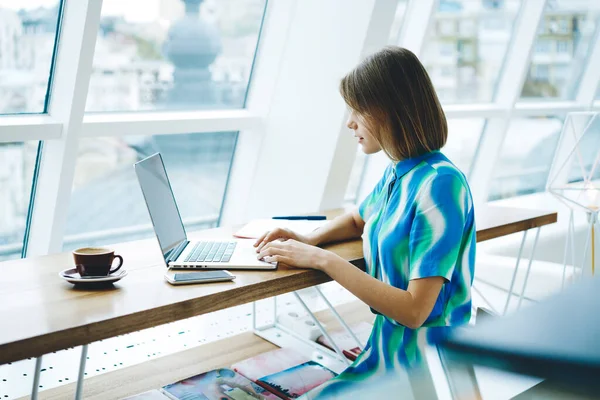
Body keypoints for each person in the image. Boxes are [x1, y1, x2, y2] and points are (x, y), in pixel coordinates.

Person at [254, 46, 476, 396]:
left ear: (391, 111)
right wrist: (308, 238)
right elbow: (359, 218)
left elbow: (416, 311)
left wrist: (322, 259)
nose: (350, 122)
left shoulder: (440, 184)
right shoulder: (401, 173)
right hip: (386, 353)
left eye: (358, 110)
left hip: (424, 367)